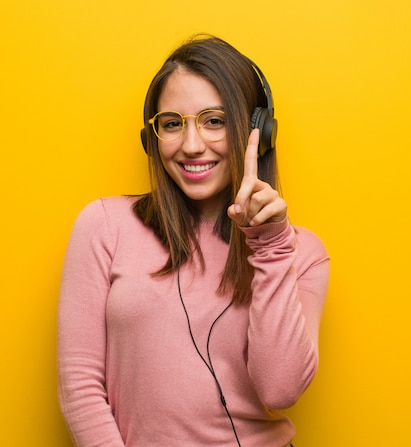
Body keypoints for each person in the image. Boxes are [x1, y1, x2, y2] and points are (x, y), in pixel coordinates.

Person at [57, 34, 330, 447]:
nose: (191, 145)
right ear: (152, 139)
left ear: (259, 132)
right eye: (172, 124)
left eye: (214, 121)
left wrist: (270, 246)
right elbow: (79, 383)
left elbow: (281, 390)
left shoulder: (301, 252)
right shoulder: (104, 225)